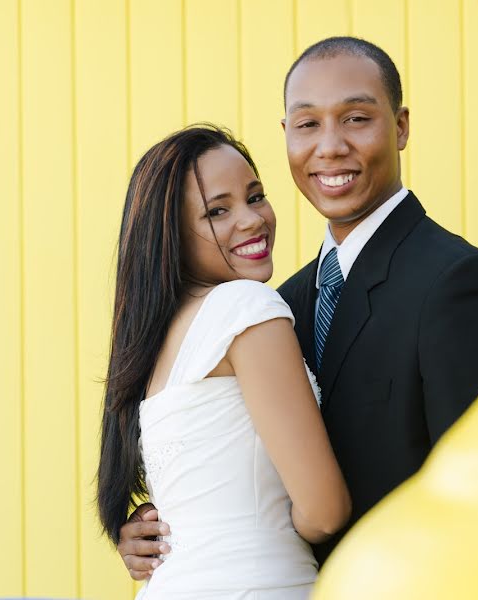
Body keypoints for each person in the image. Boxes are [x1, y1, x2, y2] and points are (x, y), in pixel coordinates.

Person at [117, 36, 478, 574]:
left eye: (357, 118)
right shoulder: (275, 304)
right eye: (308, 124)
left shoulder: (459, 284)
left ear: (400, 127)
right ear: (286, 135)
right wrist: (179, 531)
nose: (330, 147)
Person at [97, 125, 351, 599]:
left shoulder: (154, 345)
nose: (252, 220)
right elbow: (324, 512)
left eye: (255, 197)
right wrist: (265, 528)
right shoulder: (246, 308)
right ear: (169, 234)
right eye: (217, 211)